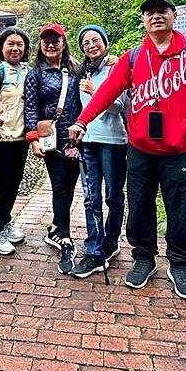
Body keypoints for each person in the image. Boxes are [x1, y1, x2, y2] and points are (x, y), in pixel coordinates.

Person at [69, 0, 186, 299]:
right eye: (150, 12)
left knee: (180, 207)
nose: (156, 16)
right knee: (139, 204)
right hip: (140, 148)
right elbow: (106, 93)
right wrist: (82, 122)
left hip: (179, 151)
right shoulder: (133, 58)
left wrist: (184, 128)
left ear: (174, 16)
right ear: (144, 21)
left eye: (162, 11)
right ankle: (144, 258)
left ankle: (180, 265)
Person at [70, 25, 127, 280]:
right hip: (88, 141)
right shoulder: (83, 71)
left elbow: (120, 106)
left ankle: (110, 242)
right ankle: (94, 248)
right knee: (90, 198)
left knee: (113, 196)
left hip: (113, 141)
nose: (91, 45)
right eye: (85, 43)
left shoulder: (117, 69)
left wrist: (97, 94)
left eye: (95, 40)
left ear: (105, 42)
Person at [24, 24, 82, 275]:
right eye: (46, 40)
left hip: (78, 137)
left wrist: (110, 60)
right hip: (52, 139)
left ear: (63, 41)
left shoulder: (77, 68)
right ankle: (65, 239)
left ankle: (57, 226)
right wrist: (33, 138)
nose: (50, 44)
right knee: (59, 185)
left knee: (70, 185)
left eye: (55, 40)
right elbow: (30, 107)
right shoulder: (36, 73)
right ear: (40, 44)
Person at [0, 27, 30, 255]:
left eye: (20, 44)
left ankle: (5, 220)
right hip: (0, 137)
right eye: (11, 44)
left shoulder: (28, 70)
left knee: (14, 183)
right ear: (2, 47)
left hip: (21, 136)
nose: (15, 48)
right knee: (0, 184)